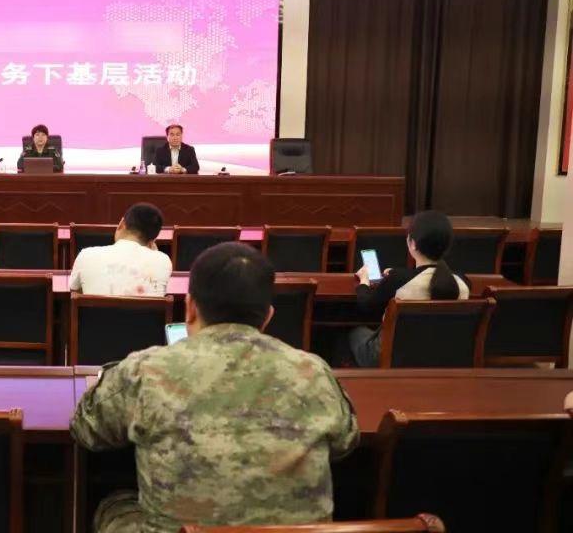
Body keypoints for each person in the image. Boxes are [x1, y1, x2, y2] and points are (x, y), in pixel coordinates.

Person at [71, 242, 358, 533]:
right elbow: (345, 442)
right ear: (268, 316)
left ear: (190, 308)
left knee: (115, 506)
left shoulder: (146, 370)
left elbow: (86, 428)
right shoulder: (314, 372)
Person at [347, 210, 469, 368]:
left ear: (413, 243)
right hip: (444, 357)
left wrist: (364, 281)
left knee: (353, 333)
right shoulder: (462, 282)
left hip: (394, 357)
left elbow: (367, 306)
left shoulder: (398, 280)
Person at [69, 203, 172, 296]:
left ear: (121, 224)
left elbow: (75, 293)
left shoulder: (86, 255)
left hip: (96, 312)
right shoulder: (163, 261)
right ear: (152, 241)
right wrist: (155, 254)